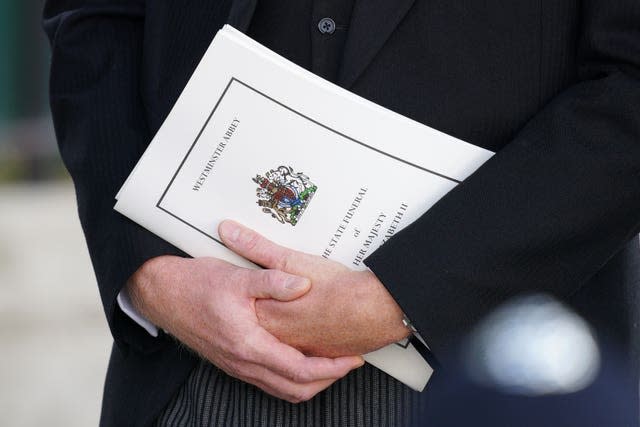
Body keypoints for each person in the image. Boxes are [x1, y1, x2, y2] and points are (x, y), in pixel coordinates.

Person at [43, 0, 640, 426]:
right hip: (189, 367)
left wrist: (405, 293)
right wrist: (150, 275)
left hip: (489, 376)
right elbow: (93, 19)